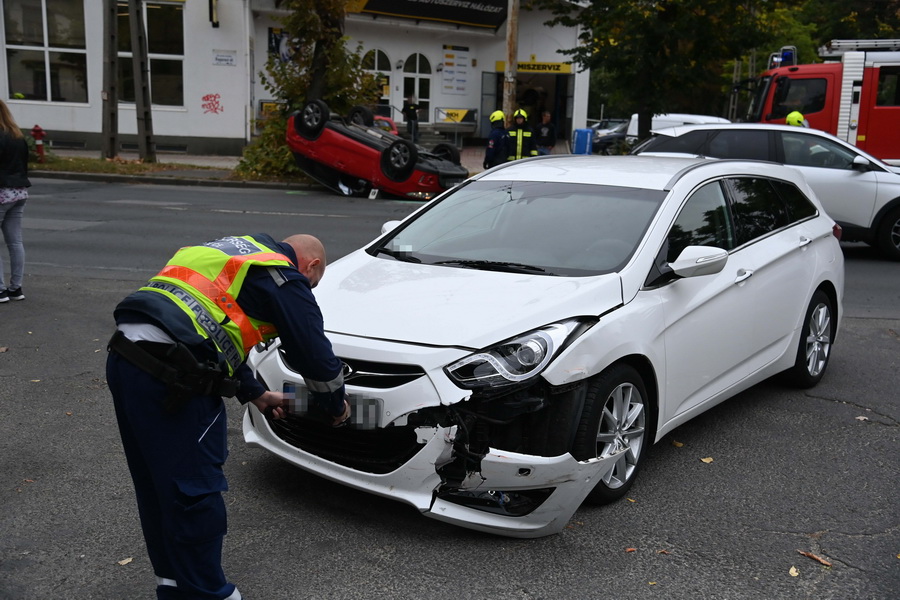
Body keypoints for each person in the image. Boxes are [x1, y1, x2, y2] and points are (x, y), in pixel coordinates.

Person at [106, 233, 350, 600]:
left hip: (127, 361)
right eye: (313, 282)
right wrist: (336, 406)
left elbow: (213, 332)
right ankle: (209, 594)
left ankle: (174, 584)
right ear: (312, 265)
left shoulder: (228, 253)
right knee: (194, 490)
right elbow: (314, 356)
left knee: (158, 485)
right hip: (175, 380)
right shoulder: (282, 275)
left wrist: (255, 393)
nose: (308, 287)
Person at [0, 99, 29, 303]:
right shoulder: (18, 136)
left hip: (1, 192)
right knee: (15, 242)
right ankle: (16, 288)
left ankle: (0, 290)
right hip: (19, 192)